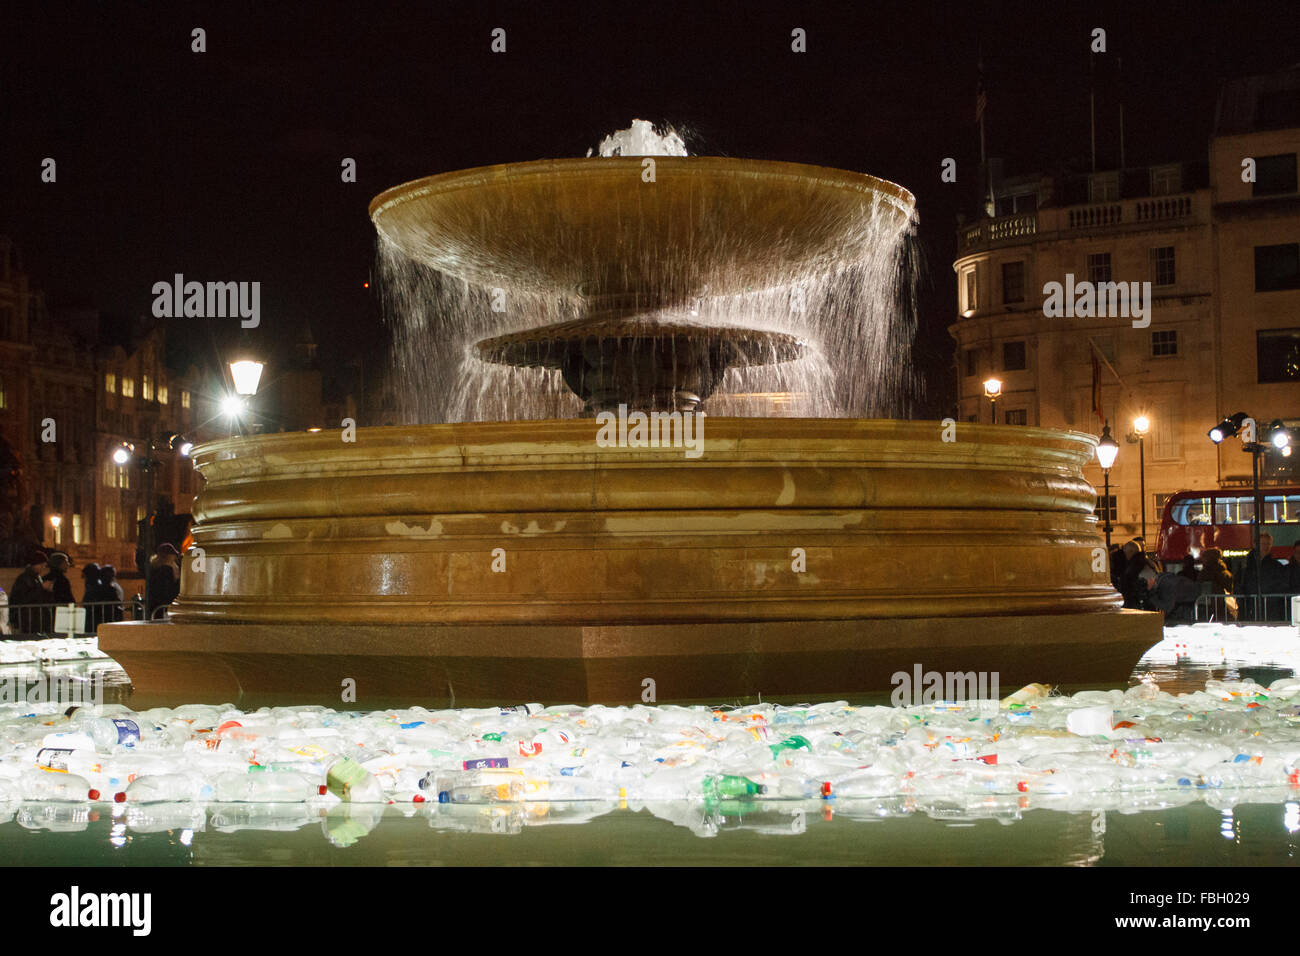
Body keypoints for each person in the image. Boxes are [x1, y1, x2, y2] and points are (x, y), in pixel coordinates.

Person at [1237, 532, 1291, 621]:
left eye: (1268, 544)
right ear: (1255, 544)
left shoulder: (1276, 566)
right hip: (1250, 606)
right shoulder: (1245, 565)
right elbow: (1238, 583)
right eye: (1263, 544)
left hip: (1270, 607)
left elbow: (1282, 585)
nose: (1266, 546)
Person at [9, 551, 56, 633]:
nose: (43, 568)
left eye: (44, 565)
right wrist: (42, 587)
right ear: (34, 564)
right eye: (41, 565)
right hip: (28, 619)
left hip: (35, 618)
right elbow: (24, 598)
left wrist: (48, 591)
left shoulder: (36, 577)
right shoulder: (25, 578)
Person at [1197, 547, 1235, 621]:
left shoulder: (1205, 573)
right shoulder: (1225, 573)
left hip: (1207, 606)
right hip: (1224, 606)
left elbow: (1199, 586)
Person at [147, 543, 181, 619]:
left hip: (157, 607)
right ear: (169, 556)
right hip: (165, 607)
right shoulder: (167, 569)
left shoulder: (154, 567)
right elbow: (170, 590)